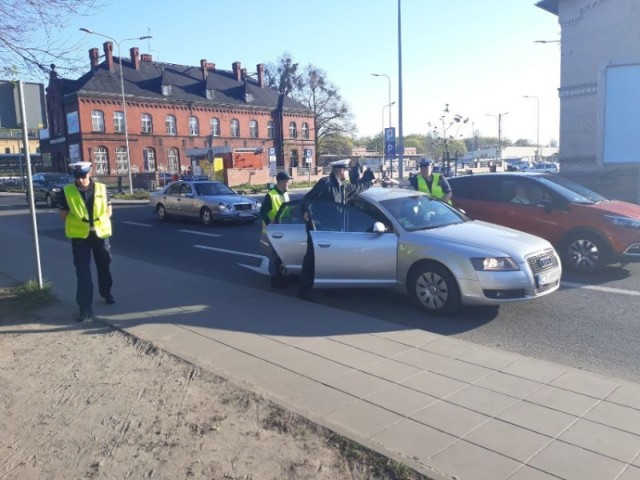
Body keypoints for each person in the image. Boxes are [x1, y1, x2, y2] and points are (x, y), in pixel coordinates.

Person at [298, 159, 377, 301]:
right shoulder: (325, 184)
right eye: (346, 170)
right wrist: (305, 212)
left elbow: (357, 188)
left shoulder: (343, 187)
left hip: (334, 229)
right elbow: (307, 199)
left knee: (330, 259)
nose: (348, 173)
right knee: (312, 259)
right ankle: (304, 290)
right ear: (341, 170)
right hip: (320, 229)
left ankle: (328, 288)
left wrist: (371, 183)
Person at [59, 161, 114, 322]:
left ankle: (106, 293)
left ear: (90, 173)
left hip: (100, 234)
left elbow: (109, 210)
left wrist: (98, 221)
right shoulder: (67, 191)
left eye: (83, 176)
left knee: (104, 266)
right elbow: (63, 215)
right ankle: (85, 309)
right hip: (80, 238)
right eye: (77, 177)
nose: (81, 180)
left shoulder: (102, 189)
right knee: (83, 274)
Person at [260, 171, 292, 288]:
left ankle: (281, 276)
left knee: (282, 255)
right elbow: (263, 212)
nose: (289, 183)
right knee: (275, 255)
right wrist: (270, 223)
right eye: (288, 181)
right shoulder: (271, 195)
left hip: (284, 229)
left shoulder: (286, 194)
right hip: (273, 230)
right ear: (281, 182)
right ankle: (274, 278)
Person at [385, 158, 452, 203]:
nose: (423, 169)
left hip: (445, 211)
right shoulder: (417, 179)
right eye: (421, 167)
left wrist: (440, 205)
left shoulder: (440, 177)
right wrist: (393, 181)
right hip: (429, 211)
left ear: (431, 167)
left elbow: (449, 193)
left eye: (426, 167)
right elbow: (404, 182)